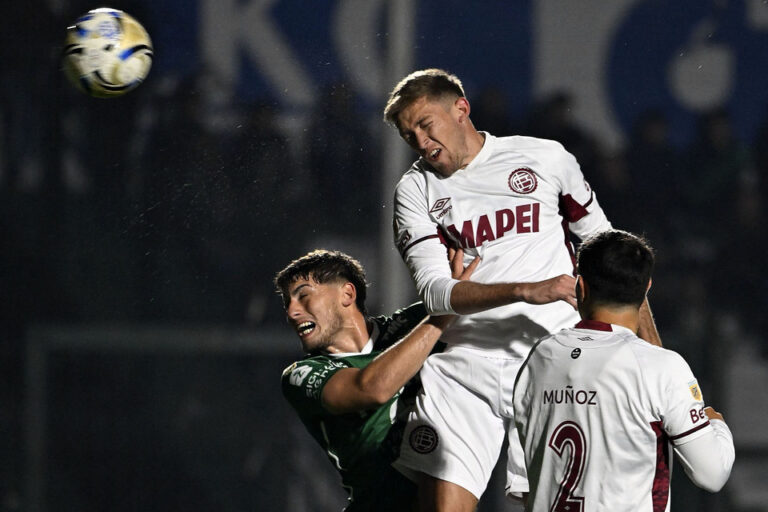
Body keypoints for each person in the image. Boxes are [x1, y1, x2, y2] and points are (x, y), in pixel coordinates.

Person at [383, 68, 661, 510]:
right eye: (407, 133)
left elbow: (614, 261)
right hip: (464, 368)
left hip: (553, 363)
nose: (418, 141)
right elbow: (436, 293)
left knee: (552, 504)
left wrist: (655, 363)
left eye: (424, 124)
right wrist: (526, 289)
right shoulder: (414, 190)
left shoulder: (545, 159)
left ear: (460, 109)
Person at [512, 229, 734, 511]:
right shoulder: (661, 367)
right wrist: (716, 424)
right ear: (647, 288)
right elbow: (712, 475)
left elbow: (522, 487)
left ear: (581, 287)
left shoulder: (539, 357)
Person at [278, 248, 477, 511]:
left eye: (303, 296)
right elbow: (372, 388)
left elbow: (482, 294)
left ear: (347, 294)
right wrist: (443, 315)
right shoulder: (301, 375)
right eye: (287, 303)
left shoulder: (413, 324)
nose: (292, 312)